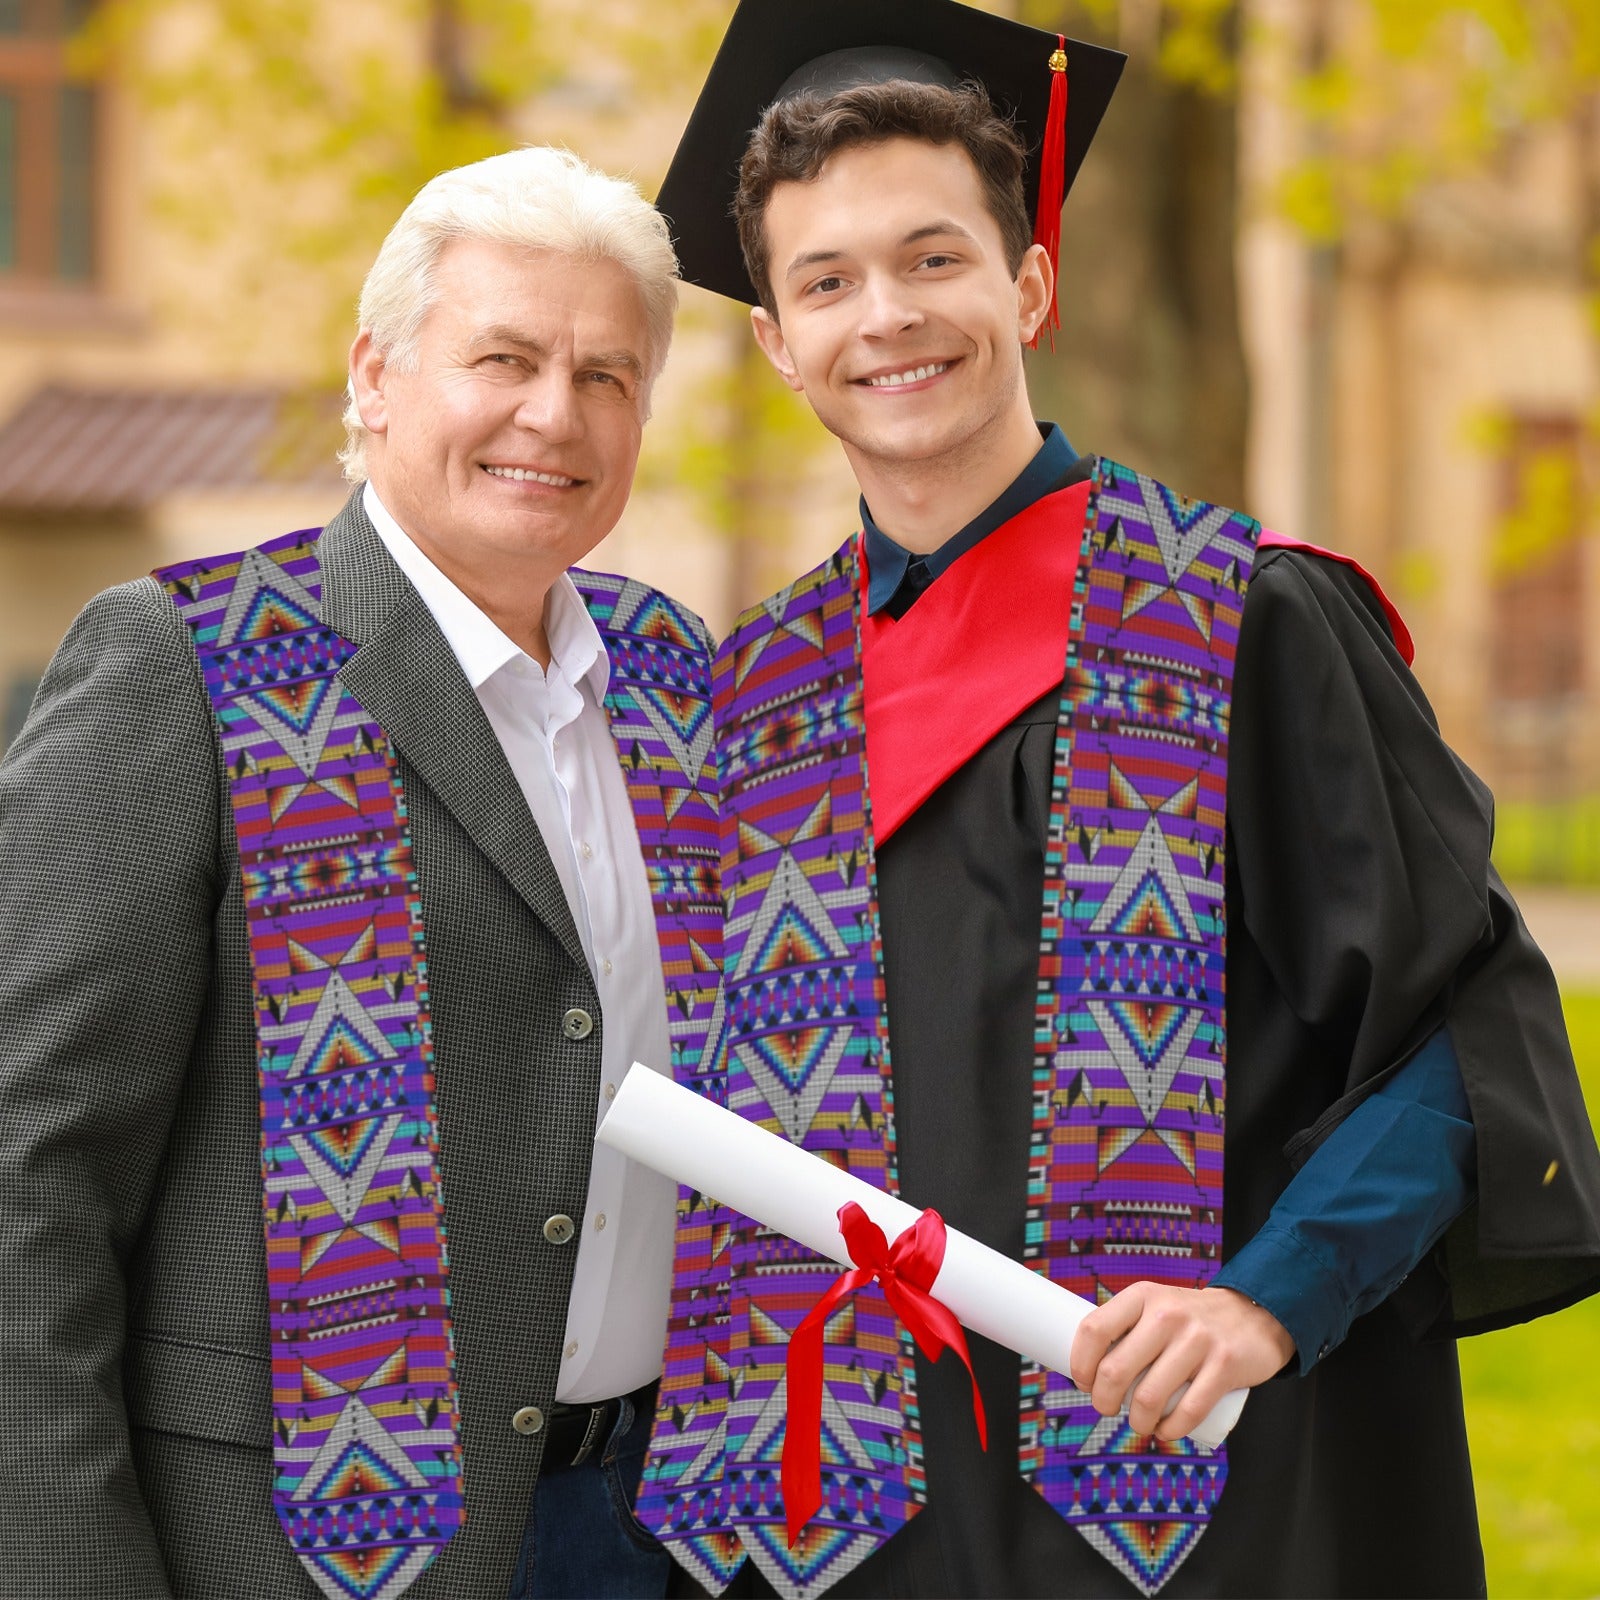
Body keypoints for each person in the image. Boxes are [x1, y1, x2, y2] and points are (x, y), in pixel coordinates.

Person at [626, 3, 1600, 1597]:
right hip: (848, 1528)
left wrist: (1269, 1298)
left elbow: (1461, 1035)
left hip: (1198, 1496)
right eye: (828, 281)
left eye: (934, 258)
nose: (888, 316)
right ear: (779, 342)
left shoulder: (1246, 623)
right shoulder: (756, 699)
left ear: (1029, 282)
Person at [0, 146, 721, 1600]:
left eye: (605, 375)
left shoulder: (673, 679)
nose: (553, 413)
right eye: (503, 357)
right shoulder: (189, 665)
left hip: (651, 1531)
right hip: (292, 1550)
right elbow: (29, 1173)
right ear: (375, 377)